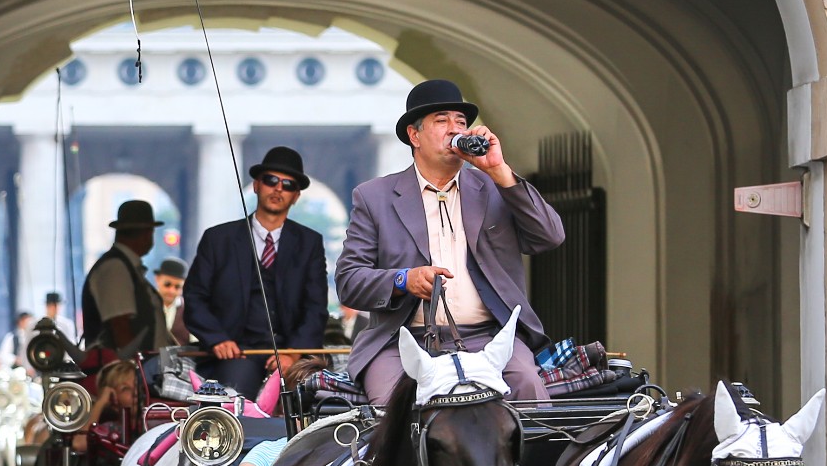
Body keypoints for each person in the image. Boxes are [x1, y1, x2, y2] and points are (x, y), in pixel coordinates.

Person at [336, 78, 564, 403]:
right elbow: (349, 282)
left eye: (461, 122)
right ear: (414, 135)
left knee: (529, 389)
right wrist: (404, 279)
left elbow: (550, 236)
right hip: (403, 342)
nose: (454, 128)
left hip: (489, 337)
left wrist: (499, 171)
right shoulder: (374, 197)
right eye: (441, 120)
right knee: (390, 413)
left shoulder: (495, 188)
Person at [185, 147, 330, 395]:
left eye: (288, 184)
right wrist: (217, 338)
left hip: (290, 354)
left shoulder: (310, 243)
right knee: (236, 393)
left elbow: (316, 308)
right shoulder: (218, 239)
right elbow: (194, 298)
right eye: (271, 180)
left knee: (312, 397)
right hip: (236, 353)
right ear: (256, 185)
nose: (278, 189)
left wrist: (293, 353)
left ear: (296, 196)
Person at [82, 200, 170, 356]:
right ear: (146, 234)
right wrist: (133, 369)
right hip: (121, 375)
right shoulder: (115, 269)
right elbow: (120, 327)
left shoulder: (125, 268)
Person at [154, 257, 193, 345]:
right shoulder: (144, 305)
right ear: (157, 279)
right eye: (167, 284)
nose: (171, 291)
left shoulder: (190, 311)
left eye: (177, 287)